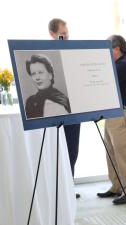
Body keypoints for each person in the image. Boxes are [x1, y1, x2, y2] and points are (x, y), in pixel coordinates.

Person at [96, 35, 126, 205]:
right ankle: (117, 186)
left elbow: (103, 84)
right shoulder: (117, 65)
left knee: (124, 155)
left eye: (108, 50)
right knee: (111, 153)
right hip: (112, 114)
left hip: (123, 114)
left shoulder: (124, 66)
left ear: (117, 49)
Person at [48, 18, 81, 199]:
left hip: (74, 112)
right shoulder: (46, 55)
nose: (66, 37)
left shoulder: (73, 51)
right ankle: (57, 190)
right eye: (63, 34)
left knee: (72, 150)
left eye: (67, 33)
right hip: (54, 112)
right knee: (55, 152)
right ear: (53, 34)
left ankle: (69, 187)